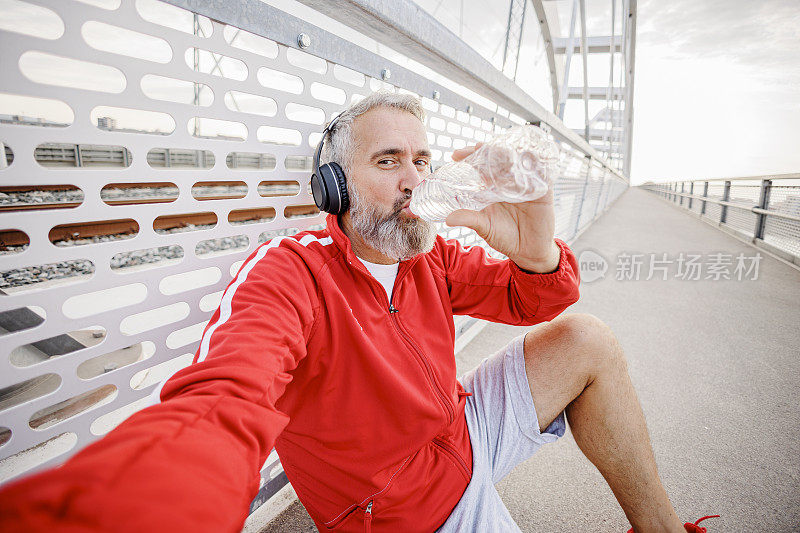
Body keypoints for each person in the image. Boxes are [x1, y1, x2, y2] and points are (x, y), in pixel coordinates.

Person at [0, 91, 711, 532]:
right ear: (333, 184)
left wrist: (531, 243)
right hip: (408, 508)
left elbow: (545, 299)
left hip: (460, 432)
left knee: (587, 338)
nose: (415, 182)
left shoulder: (424, 253)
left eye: (424, 161)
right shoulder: (292, 275)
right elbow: (222, 402)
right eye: (389, 161)